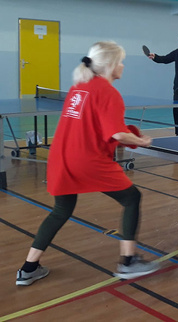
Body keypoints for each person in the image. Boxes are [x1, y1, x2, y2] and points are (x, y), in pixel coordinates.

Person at [15, 41, 159, 286]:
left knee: (61, 210)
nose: (123, 66)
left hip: (61, 158)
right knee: (131, 197)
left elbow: (93, 125)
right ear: (111, 65)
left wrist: (127, 134)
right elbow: (117, 134)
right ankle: (128, 262)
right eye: (121, 61)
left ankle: (28, 268)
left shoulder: (79, 88)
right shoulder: (109, 92)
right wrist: (141, 141)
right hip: (87, 159)